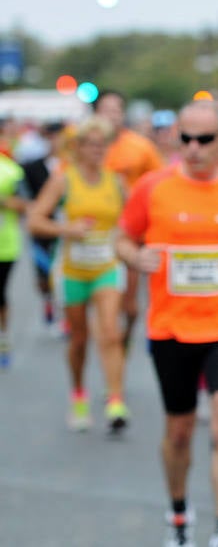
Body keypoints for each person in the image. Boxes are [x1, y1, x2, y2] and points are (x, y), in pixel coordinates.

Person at [116, 100, 218, 547]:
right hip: (170, 326)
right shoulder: (152, 187)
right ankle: (179, 511)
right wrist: (134, 255)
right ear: (175, 138)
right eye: (186, 138)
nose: (195, 147)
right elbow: (122, 237)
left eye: (205, 139)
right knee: (180, 430)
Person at [27, 117, 130, 432]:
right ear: (78, 148)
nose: (97, 150)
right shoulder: (64, 180)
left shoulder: (116, 182)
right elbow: (34, 220)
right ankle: (79, 395)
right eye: (91, 144)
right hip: (72, 270)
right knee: (79, 340)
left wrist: (129, 245)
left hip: (106, 267)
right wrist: (65, 229)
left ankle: (115, 400)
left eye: (102, 144)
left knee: (111, 332)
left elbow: (130, 224)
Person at [94, 89, 164, 352]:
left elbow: (163, 182)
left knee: (130, 306)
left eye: (117, 109)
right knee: (107, 306)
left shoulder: (139, 146)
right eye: (106, 110)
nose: (112, 116)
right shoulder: (86, 146)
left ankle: (123, 337)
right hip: (96, 235)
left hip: (130, 233)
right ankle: (111, 346)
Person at [21, 121, 68, 330]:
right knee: (43, 276)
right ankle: (48, 300)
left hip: (66, 229)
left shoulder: (71, 168)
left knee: (62, 273)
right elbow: (24, 195)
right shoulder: (33, 167)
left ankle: (64, 314)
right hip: (43, 229)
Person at [0, 149, 26, 368]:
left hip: (5, 246)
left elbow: (24, 205)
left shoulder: (10, 170)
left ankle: (3, 338)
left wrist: (3, 201)